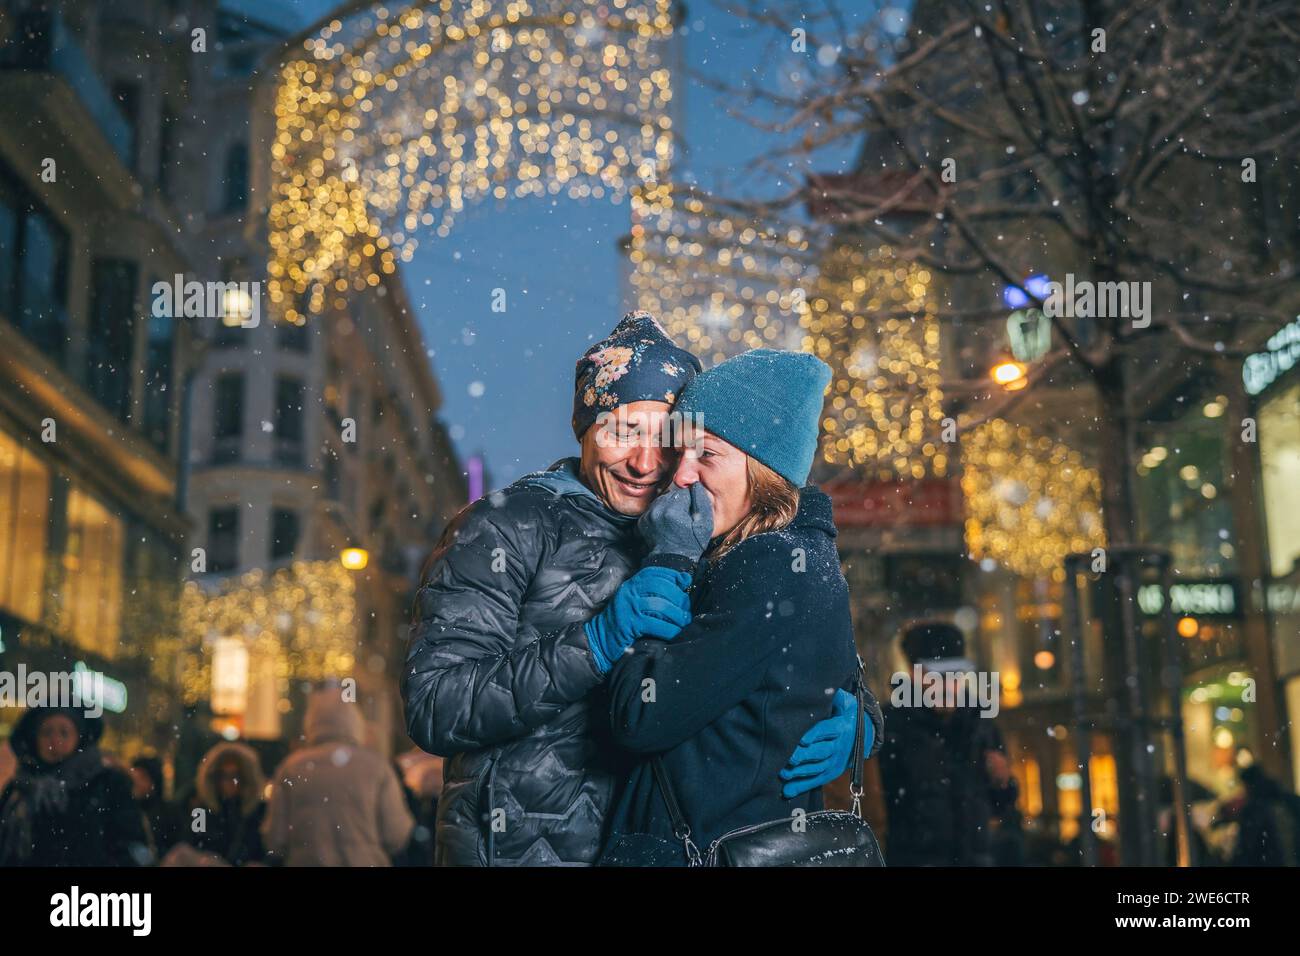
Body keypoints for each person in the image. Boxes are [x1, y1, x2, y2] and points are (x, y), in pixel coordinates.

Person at [404, 311, 875, 866]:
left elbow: (773, 646)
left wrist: (858, 718)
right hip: (526, 851)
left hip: (657, 845)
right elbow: (435, 705)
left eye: (666, 438)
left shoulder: (707, 527)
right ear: (585, 430)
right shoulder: (504, 526)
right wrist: (595, 643)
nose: (645, 462)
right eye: (623, 430)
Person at [599, 348, 883, 864]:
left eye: (706, 454)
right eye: (679, 452)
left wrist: (666, 560)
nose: (680, 475)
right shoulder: (794, 555)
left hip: (708, 849)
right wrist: (866, 721)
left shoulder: (770, 566)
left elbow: (639, 716)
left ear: (765, 470)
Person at [878, 621, 1016, 866]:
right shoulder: (890, 727)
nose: (948, 684)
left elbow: (1001, 805)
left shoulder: (980, 721)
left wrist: (1002, 782)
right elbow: (877, 808)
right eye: (938, 675)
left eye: (955, 675)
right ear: (914, 674)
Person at [262, 689, 414, 866]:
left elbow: (275, 838)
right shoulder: (376, 768)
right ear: (355, 722)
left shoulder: (291, 768)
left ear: (311, 722)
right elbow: (396, 835)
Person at [0, 707, 152, 866]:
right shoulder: (19, 789)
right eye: (47, 732)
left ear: (79, 736)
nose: (55, 740)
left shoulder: (106, 783)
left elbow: (131, 846)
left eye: (64, 732)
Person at [175, 740, 267, 866]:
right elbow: (192, 846)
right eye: (224, 775)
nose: (230, 782)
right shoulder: (202, 812)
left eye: (235, 775)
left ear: (245, 778)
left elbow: (263, 851)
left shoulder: (256, 812)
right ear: (215, 779)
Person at [131, 755, 180, 858]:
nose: (136, 782)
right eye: (134, 776)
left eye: (142, 777)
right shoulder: (126, 811)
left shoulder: (169, 812)